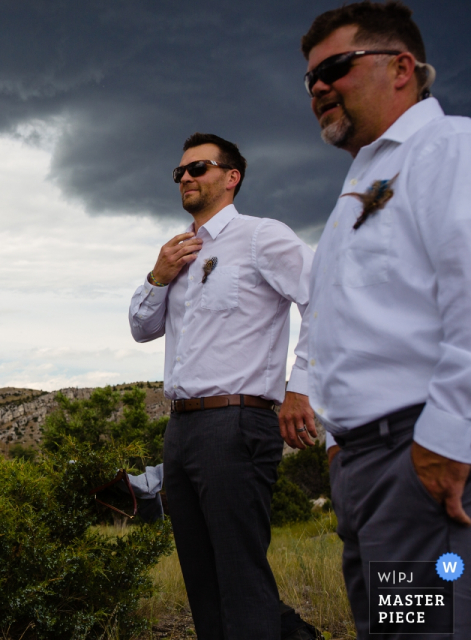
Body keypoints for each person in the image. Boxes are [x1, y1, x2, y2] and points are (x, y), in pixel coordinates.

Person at [279, 2, 471, 636]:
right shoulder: (360, 186)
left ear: (402, 68)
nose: (319, 87)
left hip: (418, 460)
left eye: (335, 67)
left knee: (426, 632)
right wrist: (338, 450)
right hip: (364, 471)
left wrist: (445, 439)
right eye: (310, 79)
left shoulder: (448, 151)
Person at [129, 133, 315, 639]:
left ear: (231, 177)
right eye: (180, 172)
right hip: (181, 427)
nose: (186, 177)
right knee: (202, 579)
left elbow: (322, 297)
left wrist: (300, 387)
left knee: (239, 574)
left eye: (199, 168)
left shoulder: (261, 237)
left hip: (237, 421)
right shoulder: (178, 252)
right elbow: (142, 329)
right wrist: (158, 275)